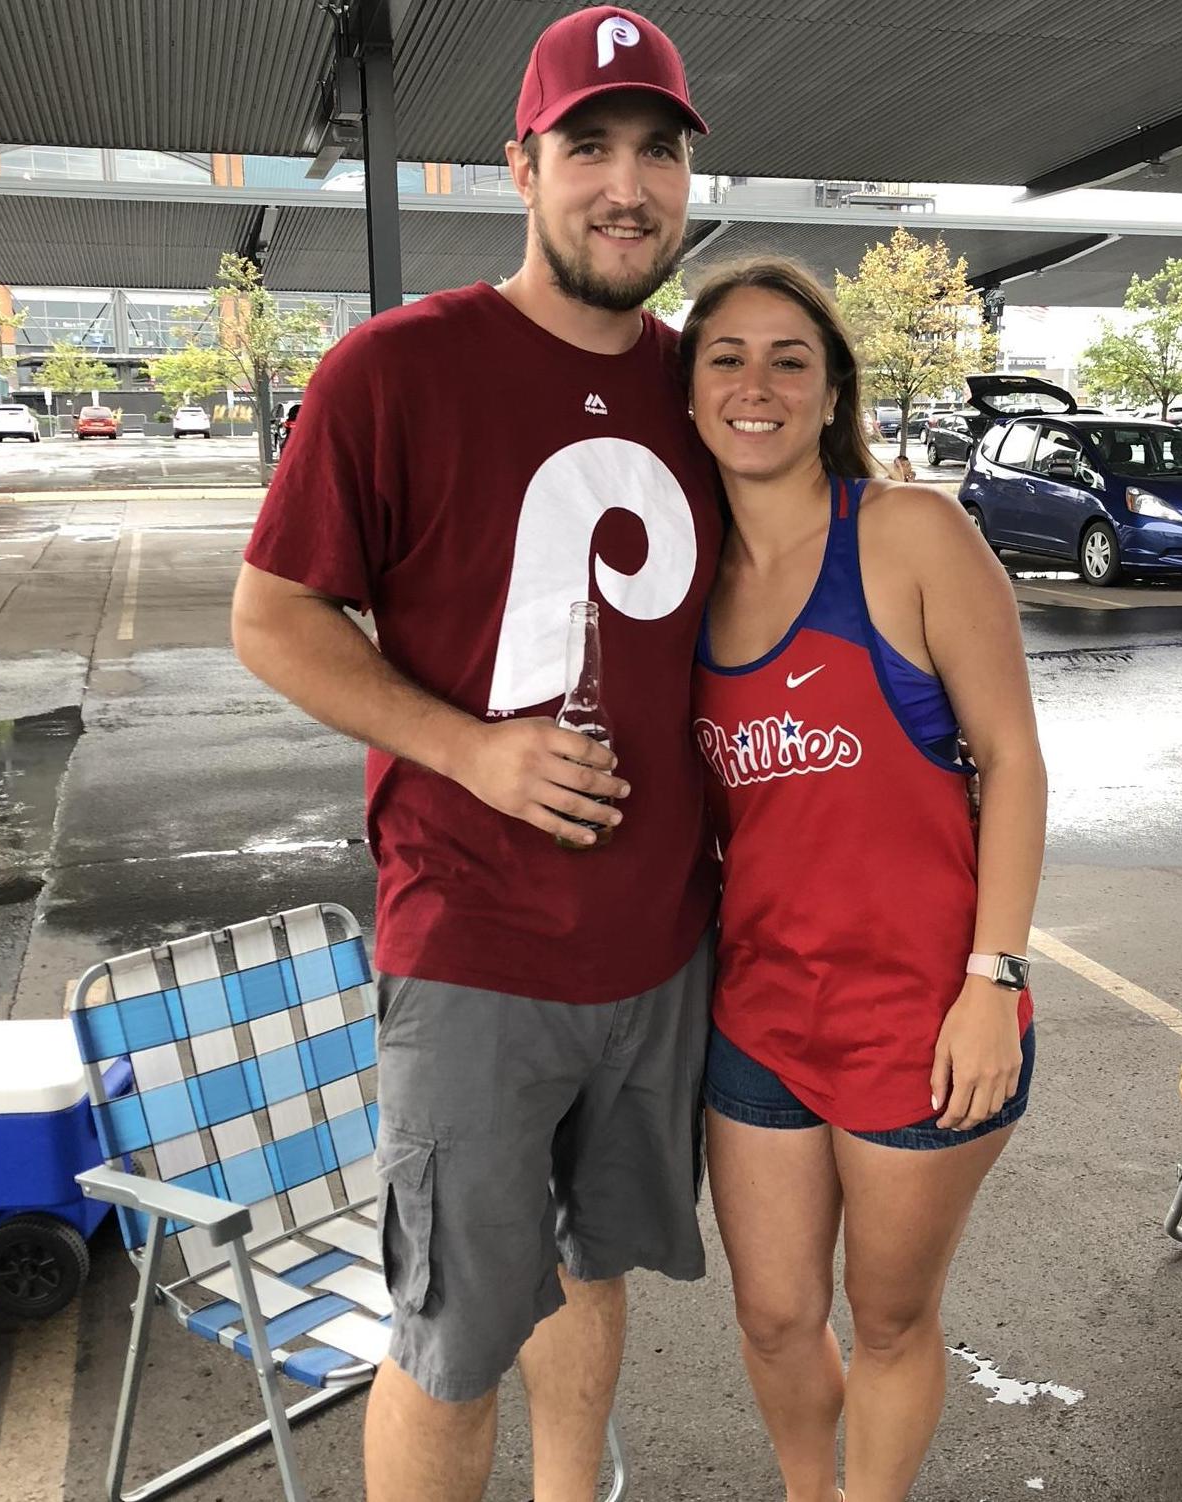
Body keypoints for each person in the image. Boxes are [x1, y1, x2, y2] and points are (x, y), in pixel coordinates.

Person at [230, 10, 720, 1500]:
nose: (623, 184)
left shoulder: (709, 392)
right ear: (519, 166)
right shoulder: (397, 369)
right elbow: (271, 616)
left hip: (660, 951)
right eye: (587, 146)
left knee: (593, 1270)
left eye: (655, 151)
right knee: (450, 1330)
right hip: (474, 953)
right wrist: (469, 752)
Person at [680, 257, 1046, 1502]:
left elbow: (1011, 761)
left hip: (922, 1013)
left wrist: (992, 979)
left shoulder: (906, 533)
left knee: (888, 1320)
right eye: (724, 356)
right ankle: (807, 1488)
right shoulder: (687, 593)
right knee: (775, 1312)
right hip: (762, 1013)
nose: (756, 383)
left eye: (790, 357)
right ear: (685, 396)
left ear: (829, 386)